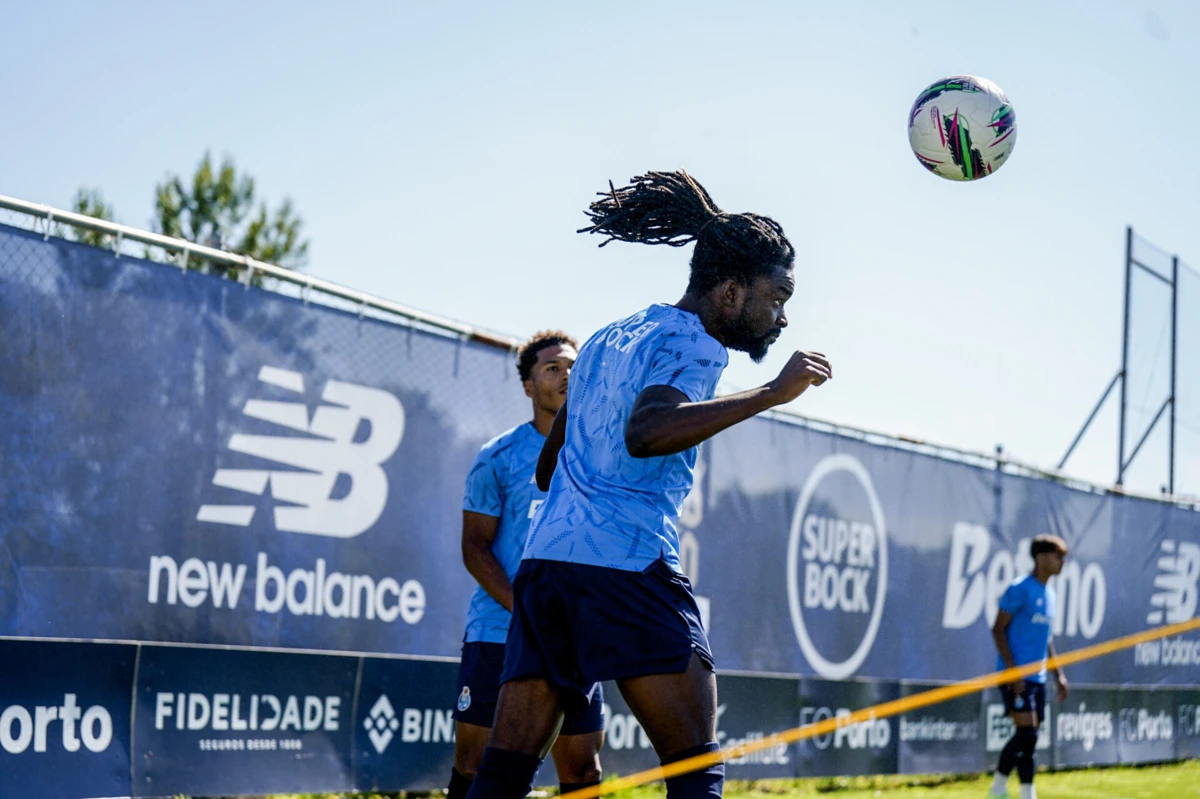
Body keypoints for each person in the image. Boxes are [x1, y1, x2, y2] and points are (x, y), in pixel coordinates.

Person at [464, 170, 832, 799]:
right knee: (695, 770)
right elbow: (648, 429)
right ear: (731, 292)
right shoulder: (698, 345)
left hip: (548, 567)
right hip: (625, 566)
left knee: (503, 774)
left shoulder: (610, 335)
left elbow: (548, 469)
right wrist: (772, 394)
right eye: (777, 297)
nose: (783, 316)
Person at [448, 330, 605, 799]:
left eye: (575, 367)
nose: (567, 376)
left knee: (583, 772)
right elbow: (475, 549)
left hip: (574, 639)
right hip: (500, 631)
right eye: (553, 368)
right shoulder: (497, 456)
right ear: (529, 386)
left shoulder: (600, 456)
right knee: (476, 767)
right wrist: (527, 610)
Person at [988, 534, 1070, 799]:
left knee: (1030, 736)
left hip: (1038, 678)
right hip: (1016, 676)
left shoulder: (1051, 596)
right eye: (1058, 556)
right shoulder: (1019, 589)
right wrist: (1013, 671)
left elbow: (1047, 639)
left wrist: (1058, 674)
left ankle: (1009, 789)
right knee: (1027, 734)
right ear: (1041, 557)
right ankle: (1013, 791)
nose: (1061, 562)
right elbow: (998, 629)